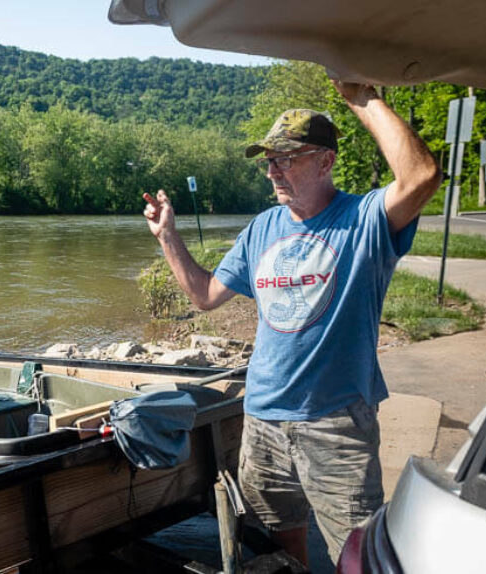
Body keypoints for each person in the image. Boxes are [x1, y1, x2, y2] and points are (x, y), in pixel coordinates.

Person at [142, 80, 441, 565]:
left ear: (326, 161)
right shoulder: (262, 227)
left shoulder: (363, 219)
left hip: (335, 422)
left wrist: (359, 96)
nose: (272, 170)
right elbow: (205, 296)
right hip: (262, 418)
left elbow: (422, 175)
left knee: (357, 555)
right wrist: (168, 236)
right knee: (277, 547)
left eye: (286, 158)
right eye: (268, 161)